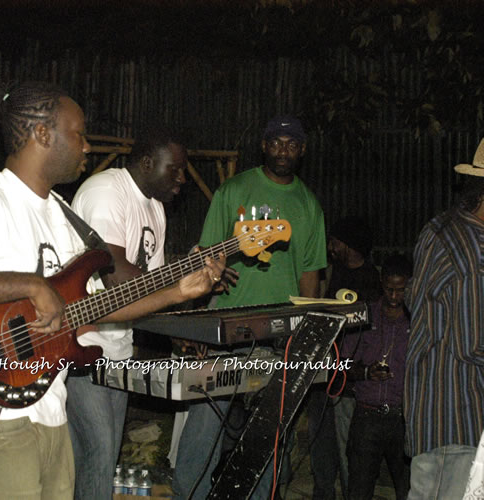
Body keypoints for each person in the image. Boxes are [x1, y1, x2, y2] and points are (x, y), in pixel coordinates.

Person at [0, 82, 227, 500]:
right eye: (78, 133)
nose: (87, 147)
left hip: (50, 407)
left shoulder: (62, 217)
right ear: (42, 134)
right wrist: (31, 284)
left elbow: (92, 309)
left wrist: (178, 293)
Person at [67, 126, 231, 499]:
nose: (182, 178)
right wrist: (179, 284)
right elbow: (117, 278)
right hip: (81, 346)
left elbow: (151, 287)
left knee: (101, 461)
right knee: (98, 455)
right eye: (174, 169)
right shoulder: (107, 191)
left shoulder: (155, 208)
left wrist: (189, 294)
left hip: (118, 349)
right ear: (146, 163)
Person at [172, 115, 327, 500]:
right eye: (277, 142)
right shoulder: (233, 190)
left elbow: (310, 279)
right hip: (226, 326)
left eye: (292, 144)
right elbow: (205, 261)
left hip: (277, 334)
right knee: (205, 425)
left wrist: (304, 337)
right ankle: (188, 494)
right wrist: (199, 325)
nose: (283, 150)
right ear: (264, 145)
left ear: (302, 150)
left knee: (269, 430)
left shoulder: (308, 205)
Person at [404, 138, 484, 499]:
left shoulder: (439, 228)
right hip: (462, 411)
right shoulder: (476, 251)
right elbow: (473, 343)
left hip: (429, 409)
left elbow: (414, 298)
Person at [309, 215, 381, 500]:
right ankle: (322, 492)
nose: (330, 246)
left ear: (349, 244)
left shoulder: (372, 282)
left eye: (335, 241)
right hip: (325, 368)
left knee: (348, 448)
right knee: (321, 442)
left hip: (348, 379)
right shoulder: (334, 271)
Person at [345, 254, 412, 500]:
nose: (394, 297)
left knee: (409, 490)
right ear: (382, 283)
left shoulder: (419, 320)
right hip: (367, 416)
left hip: (403, 419)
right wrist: (365, 372)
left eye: (401, 290)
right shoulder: (366, 316)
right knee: (359, 491)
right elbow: (343, 364)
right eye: (389, 289)